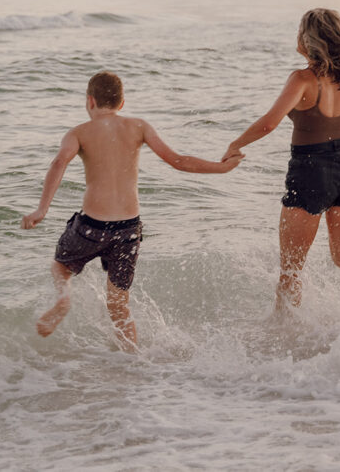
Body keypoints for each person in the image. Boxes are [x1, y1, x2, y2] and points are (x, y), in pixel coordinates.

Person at [21, 71, 242, 351]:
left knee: (61, 266)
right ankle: (131, 361)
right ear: (122, 103)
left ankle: (63, 299)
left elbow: (58, 163)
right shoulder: (139, 126)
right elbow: (177, 160)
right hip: (128, 230)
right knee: (118, 304)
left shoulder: (78, 133)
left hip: (91, 226)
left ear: (90, 101)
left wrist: (41, 209)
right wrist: (222, 167)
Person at [223, 8, 340, 308]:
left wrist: (235, 144)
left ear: (308, 40)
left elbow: (268, 123)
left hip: (311, 171)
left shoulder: (302, 79)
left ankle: (282, 338)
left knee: (290, 271)